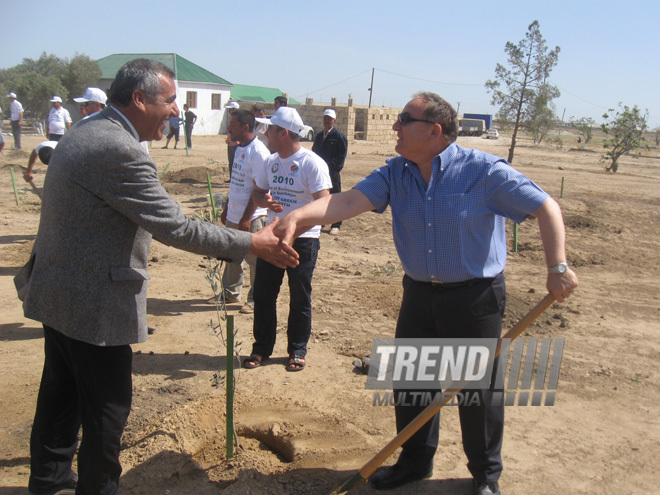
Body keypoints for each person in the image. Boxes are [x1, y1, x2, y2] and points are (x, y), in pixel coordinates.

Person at [13, 58, 298, 495]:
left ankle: (49, 480)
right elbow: (177, 228)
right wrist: (252, 243)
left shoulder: (87, 131)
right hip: (92, 305)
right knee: (106, 415)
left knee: (60, 395)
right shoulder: (119, 149)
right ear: (140, 99)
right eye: (170, 102)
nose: (175, 112)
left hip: (58, 292)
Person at [275, 92, 578, 495]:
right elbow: (345, 202)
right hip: (419, 294)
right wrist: (297, 215)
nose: (396, 126)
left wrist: (557, 266)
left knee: (478, 392)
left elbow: (546, 207)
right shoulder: (395, 173)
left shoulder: (483, 172)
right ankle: (415, 464)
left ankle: (486, 475)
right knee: (413, 382)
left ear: (434, 131)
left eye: (404, 119)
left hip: (475, 298)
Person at [243, 106, 332, 372]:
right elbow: (257, 193)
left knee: (299, 296)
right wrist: (264, 199)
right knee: (264, 294)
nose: (265, 133)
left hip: (304, 241)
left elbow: (325, 206)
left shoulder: (311, 163)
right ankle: (261, 348)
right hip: (274, 237)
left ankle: (297, 350)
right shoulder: (270, 161)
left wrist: (298, 229)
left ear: (283, 133)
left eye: (269, 129)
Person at [220, 109, 270, 314]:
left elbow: (261, 188)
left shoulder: (258, 152)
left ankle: (255, 299)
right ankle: (230, 293)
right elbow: (237, 183)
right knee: (232, 255)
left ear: (245, 127)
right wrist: (227, 209)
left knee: (255, 260)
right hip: (234, 214)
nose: (229, 127)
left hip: (251, 217)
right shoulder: (240, 147)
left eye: (233, 124)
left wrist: (247, 217)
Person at [311, 108, 348, 235]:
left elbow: (340, 157)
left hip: (332, 174)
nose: (327, 121)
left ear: (334, 121)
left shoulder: (339, 137)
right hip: (320, 174)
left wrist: (328, 167)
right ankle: (322, 221)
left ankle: (336, 224)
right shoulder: (320, 136)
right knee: (321, 198)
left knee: (335, 198)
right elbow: (314, 153)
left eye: (329, 119)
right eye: (325, 118)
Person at [225, 101, 240, 176]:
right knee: (230, 161)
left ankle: (234, 177)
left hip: (236, 144)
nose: (229, 111)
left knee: (235, 162)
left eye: (230, 109)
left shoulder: (240, 119)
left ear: (235, 109)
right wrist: (228, 139)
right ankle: (231, 178)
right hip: (230, 143)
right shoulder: (232, 118)